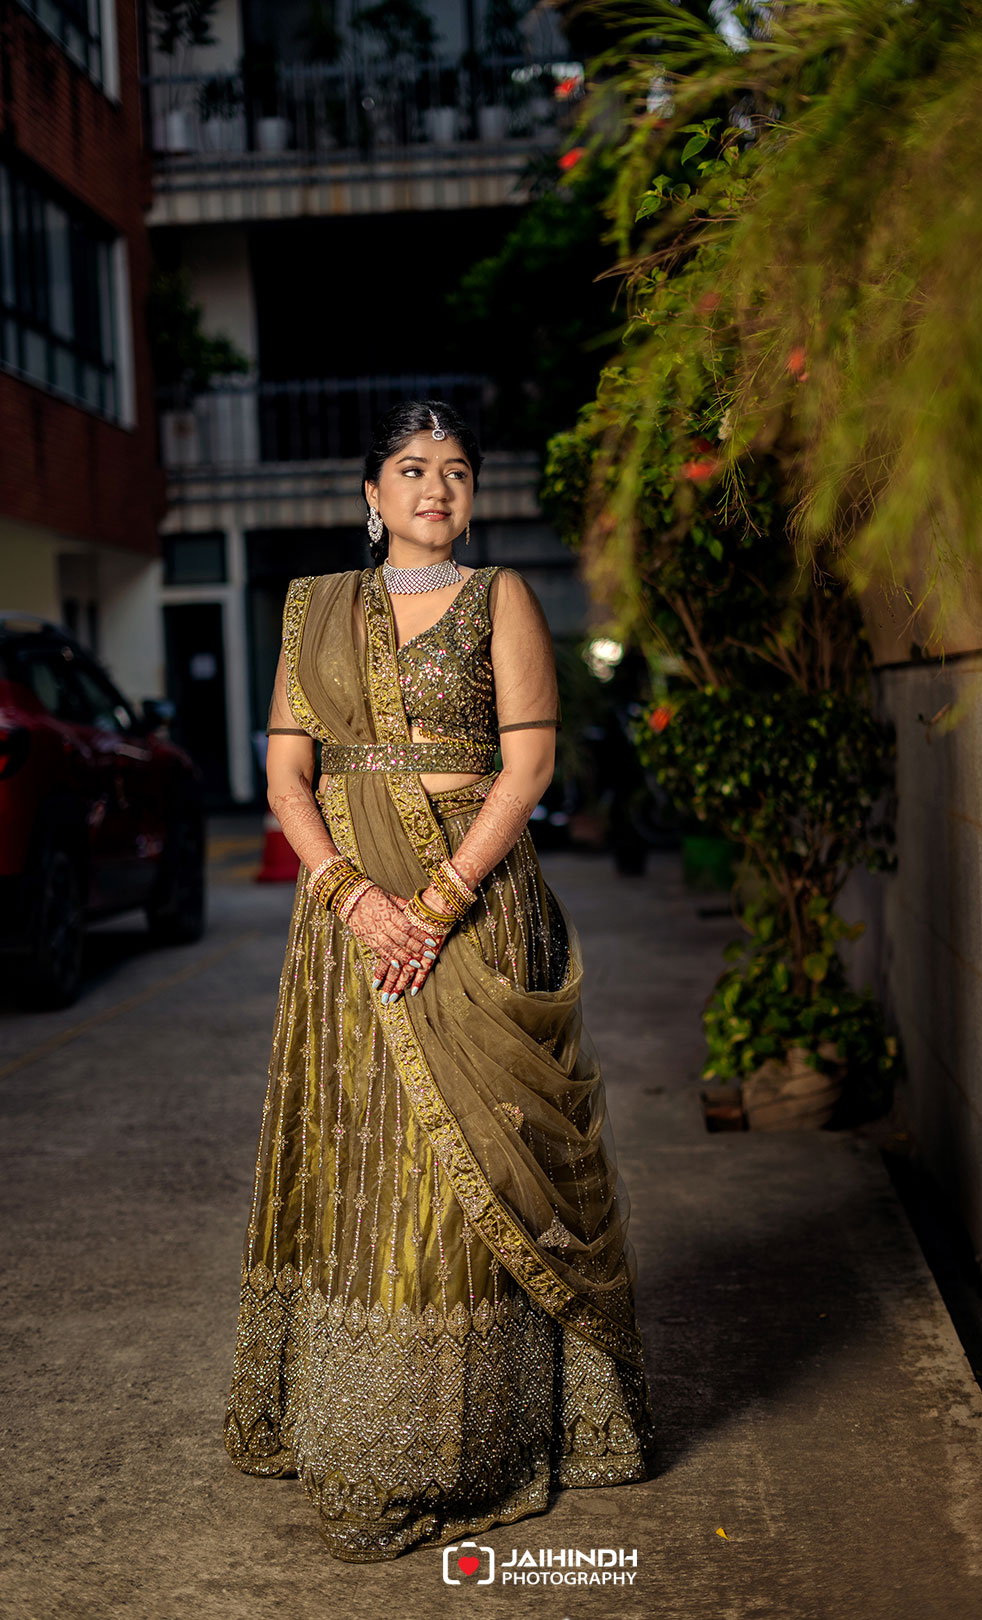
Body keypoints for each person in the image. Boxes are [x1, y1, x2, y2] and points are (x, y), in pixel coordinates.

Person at [223, 399, 657, 1562]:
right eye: (412, 468)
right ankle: (365, 1432)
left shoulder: (500, 598)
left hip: (475, 910)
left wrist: (435, 904)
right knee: (373, 1167)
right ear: (372, 493)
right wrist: (354, 898)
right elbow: (287, 778)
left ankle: (476, 1441)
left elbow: (530, 766)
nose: (436, 487)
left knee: (481, 1170)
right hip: (349, 927)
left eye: (457, 470)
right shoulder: (315, 608)